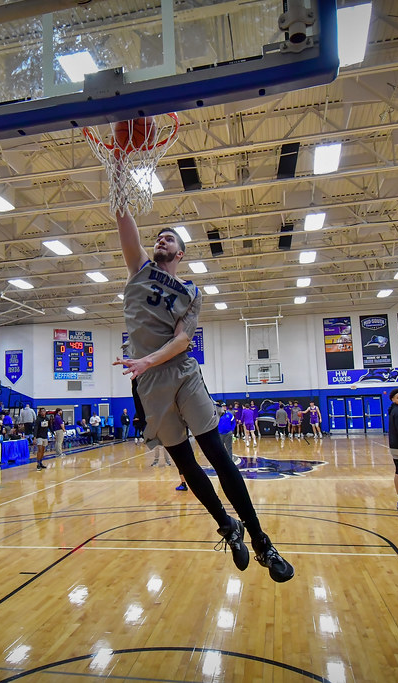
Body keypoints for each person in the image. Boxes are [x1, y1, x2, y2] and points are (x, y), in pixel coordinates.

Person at [112, 212, 293, 582]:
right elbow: (124, 224)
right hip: (148, 384)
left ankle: (261, 541)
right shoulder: (138, 270)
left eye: (169, 239)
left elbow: (181, 340)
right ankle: (228, 526)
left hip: (180, 372)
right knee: (185, 465)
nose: (161, 241)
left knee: (217, 454)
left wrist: (147, 359)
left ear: (181, 253)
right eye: (158, 238)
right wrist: (119, 182)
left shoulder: (192, 294)